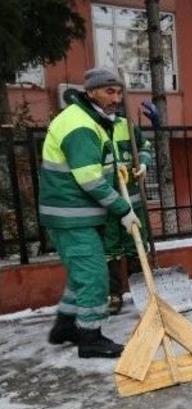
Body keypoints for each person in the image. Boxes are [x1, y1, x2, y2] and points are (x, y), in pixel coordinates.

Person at [40, 67, 140, 358]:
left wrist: (114, 168)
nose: (116, 97)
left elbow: (95, 167)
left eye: (119, 92)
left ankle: (65, 327)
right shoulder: (81, 124)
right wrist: (123, 209)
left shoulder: (90, 118)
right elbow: (88, 178)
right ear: (91, 91)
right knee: (95, 276)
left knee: (80, 276)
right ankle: (90, 338)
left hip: (75, 213)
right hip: (72, 214)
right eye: (109, 91)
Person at [104, 101, 157, 315]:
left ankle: (141, 291)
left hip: (132, 200)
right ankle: (114, 294)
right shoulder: (91, 129)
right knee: (111, 250)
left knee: (136, 245)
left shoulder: (127, 126)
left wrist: (142, 164)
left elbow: (144, 146)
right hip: (107, 202)